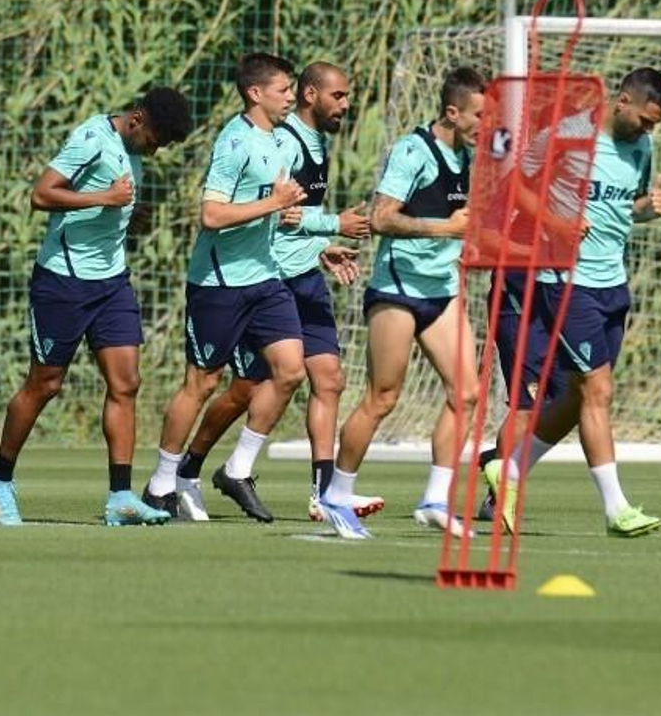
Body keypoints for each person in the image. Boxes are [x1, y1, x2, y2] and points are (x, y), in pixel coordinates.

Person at [0, 87, 193, 526]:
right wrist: (105, 200)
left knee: (126, 383)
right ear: (137, 119)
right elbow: (42, 195)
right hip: (63, 280)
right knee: (45, 384)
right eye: (156, 138)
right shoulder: (92, 138)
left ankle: (120, 497)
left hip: (112, 283)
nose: (157, 149)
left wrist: (131, 212)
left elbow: (110, 200)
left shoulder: (133, 151)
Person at [178, 61, 377, 521]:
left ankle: (323, 494)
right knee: (244, 389)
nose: (346, 105)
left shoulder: (315, 142)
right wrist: (334, 225)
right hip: (270, 277)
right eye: (339, 96)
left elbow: (290, 219)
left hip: (303, 274)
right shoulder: (281, 140)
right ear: (310, 95)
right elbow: (280, 214)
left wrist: (323, 246)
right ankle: (186, 467)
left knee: (327, 379)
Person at [483, 67, 661, 537]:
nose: (649, 131)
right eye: (646, 120)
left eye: (656, 124)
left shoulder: (642, 148)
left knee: (573, 398)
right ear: (622, 100)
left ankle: (506, 471)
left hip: (613, 282)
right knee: (599, 390)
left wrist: (646, 211)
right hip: (565, 279)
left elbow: (619, 209)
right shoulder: (568, 136)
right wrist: (556, 221)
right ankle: (616, 510)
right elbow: (515, 187)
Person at [316, 65, 487, 540]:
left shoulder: (468, 158)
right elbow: (381, 218)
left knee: (467, 393)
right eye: (478, 115)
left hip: (441, 291)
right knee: (383, 397)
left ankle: (435, 499)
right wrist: (445, 229)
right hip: (397, 290)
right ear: (452, 113)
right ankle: (336, 495)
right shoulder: (413, 151)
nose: (484, 125)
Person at [142, 54, 310, 521]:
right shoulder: (234, 143)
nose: (291, 96)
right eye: (283, 89)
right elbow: (211, 216)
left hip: (265, 278)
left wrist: (306, 230)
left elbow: (275, 210)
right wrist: (273, 203)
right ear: (255, 94)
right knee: (202, 383)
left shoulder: (284, 143)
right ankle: (160, 486)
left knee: (291, 371)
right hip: (218, 283)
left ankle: (236, 469)